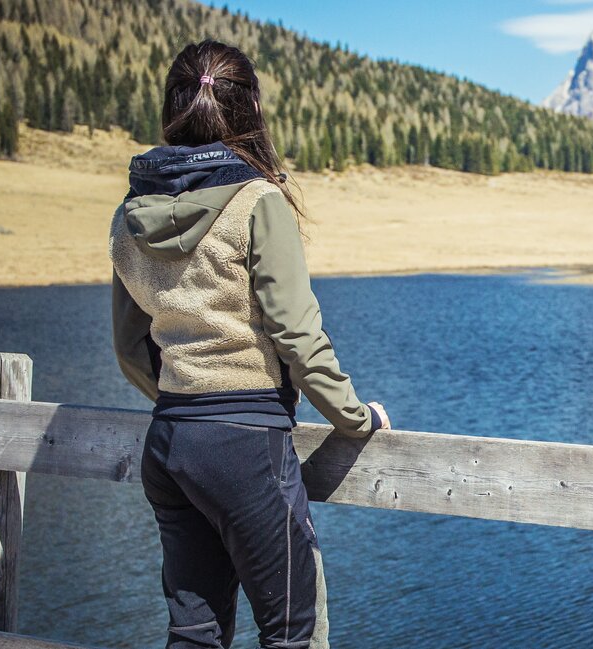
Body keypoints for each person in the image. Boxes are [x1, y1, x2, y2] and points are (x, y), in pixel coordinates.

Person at [109, 39, 388, 649]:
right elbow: (296, 334)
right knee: (292, 633)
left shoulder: (132, 211)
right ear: (250, 109)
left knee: (195, 634)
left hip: (171, 443)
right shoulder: (259, 201)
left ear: (173, 104)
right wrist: (353, 417)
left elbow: (130, 347)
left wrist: (190, 399)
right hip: (245, 446)